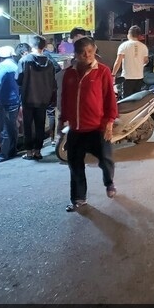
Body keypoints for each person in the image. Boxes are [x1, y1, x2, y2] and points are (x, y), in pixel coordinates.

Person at [58, 36, 118, 212]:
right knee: (75, 165)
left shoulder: (103, 72)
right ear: (76, 55)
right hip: (76, 129)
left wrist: (109, 123)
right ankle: (78, 198)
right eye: (83, 53)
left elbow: (109, 99)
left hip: (97, 128)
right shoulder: (69, 74)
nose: (87, 55)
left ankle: (109, 183)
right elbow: (65, 99)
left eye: (90, 52)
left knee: (106, 160)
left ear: (94, 50)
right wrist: (62, 124)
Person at [17, 36, 57, 160]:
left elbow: (18, 79)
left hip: (28, 97)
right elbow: (53, 82)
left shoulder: (25, 60)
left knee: (28, 126)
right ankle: (38, 151)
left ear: (32, 46)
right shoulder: (50, 63)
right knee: (40, 125)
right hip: (43, 99)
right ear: (44, 46)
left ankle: (29, 152)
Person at [0, 46, 20, 164]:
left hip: (6, 101)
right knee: (12, 128)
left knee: (5, 129)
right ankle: (12, 150)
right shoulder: (14, 64)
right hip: (15, 100)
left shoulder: (3, 66)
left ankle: (3, 154)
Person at [111, 25, 148, 98]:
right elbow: (146, 61)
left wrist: (113, 74)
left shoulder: (124, 46)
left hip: (127, 77)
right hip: (139, 77)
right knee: (136, 99)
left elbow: (118, 62)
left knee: (126, 100)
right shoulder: (144, 47)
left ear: (129, 34)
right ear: (138, 35)